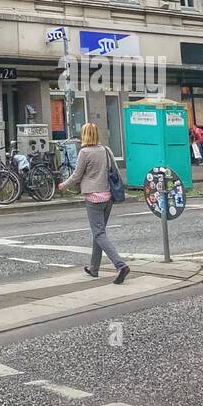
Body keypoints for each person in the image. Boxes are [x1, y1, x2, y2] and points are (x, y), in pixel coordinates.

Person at [59, 122, 129, 284]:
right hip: (108, 196)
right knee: (99, 232)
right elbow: (115, 171)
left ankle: (120, 265)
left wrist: (64, 185)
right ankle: (94, 268)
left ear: (84, 135)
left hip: (93, 198)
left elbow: (76, 176)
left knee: (98, 233)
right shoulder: (105, 150)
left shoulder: (84, 152)